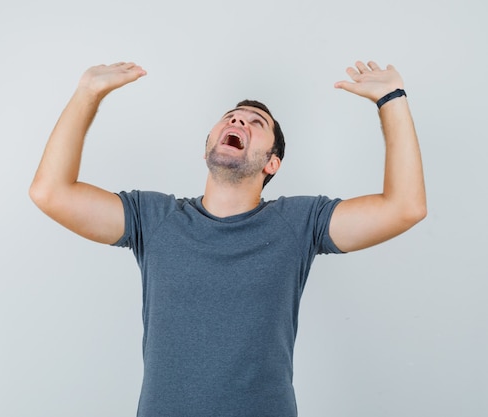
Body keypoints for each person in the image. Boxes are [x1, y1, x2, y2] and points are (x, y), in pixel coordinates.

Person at [29, 61, 426, 417]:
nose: (238, 123)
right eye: (231, 118)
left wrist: (391, 99)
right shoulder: (152, 218)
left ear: (273, 163)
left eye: (256, 123)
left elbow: (405, 207)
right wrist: (87, 92)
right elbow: (50, 193)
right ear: (208, 148)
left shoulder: (299, 222)